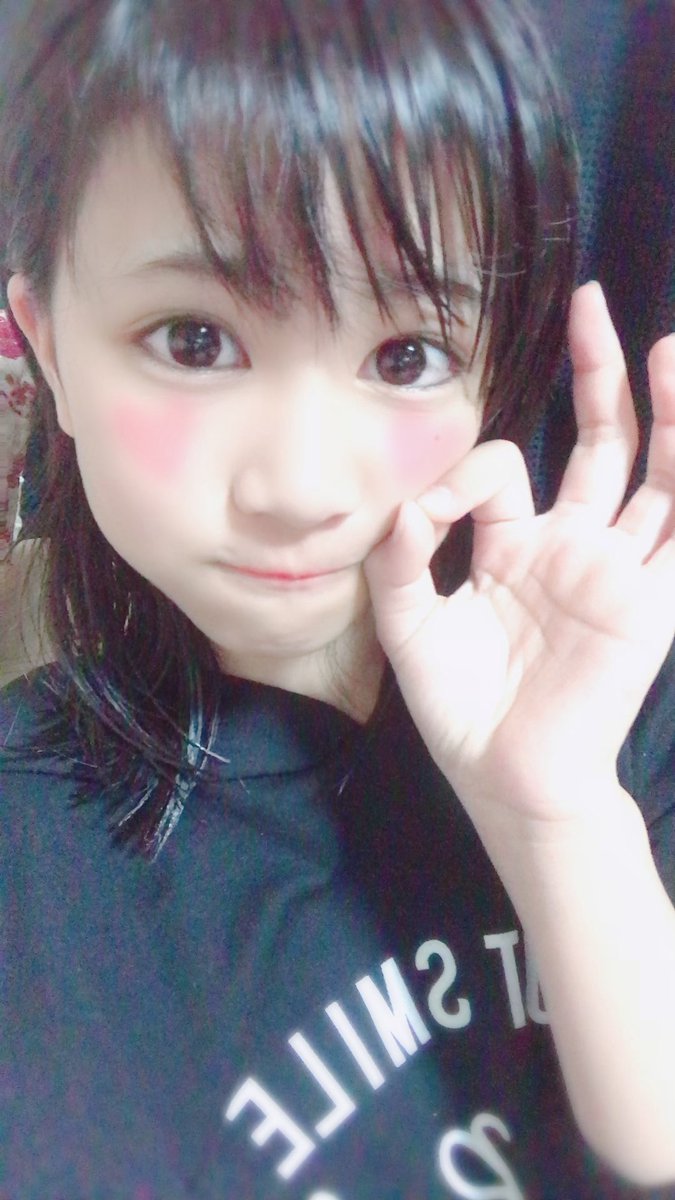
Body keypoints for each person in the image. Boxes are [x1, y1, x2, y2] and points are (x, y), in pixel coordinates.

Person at [1, 1, 674, 1197]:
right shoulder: (32, 871)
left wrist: (565, 819)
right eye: (194, 340)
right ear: (45, 342)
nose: (302, 489)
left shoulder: (613, 675)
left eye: (406, 356)